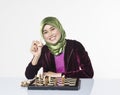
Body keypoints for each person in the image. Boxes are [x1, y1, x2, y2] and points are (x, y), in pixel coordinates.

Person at [25, 16, 94, 79]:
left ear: (59, 28)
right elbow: (29, 75)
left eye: (52, 29)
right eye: (45, 32)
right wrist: (36, 56)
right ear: (43, 36)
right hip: (51, 91)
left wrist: (58, 75)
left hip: (72, 90)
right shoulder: (44, 50)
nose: (50, 34)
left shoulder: (75, 46)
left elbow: (89, 73)